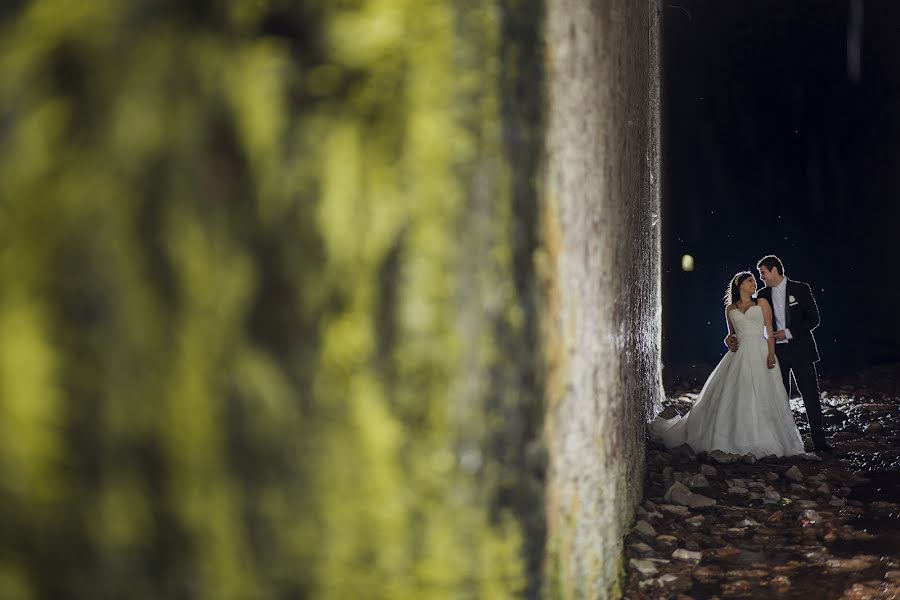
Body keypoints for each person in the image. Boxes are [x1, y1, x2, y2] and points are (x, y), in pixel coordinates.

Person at [651, 271, 805, 457]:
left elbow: (770, 330)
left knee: (764, 393)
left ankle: (765, 437)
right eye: (750, 281)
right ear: (739, 284)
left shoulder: (762, 303)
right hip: (739, 354)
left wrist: (771, 354)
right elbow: (731, 334)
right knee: (737, 391)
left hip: (760, 350)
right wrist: (727, 340)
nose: (754, 284)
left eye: (755, 281)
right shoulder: (730, 309)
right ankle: (729, 436)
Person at [727, 255, 830, 452]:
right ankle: (784, 441)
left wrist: (788, 332)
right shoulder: (763, 295)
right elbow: (748, 317)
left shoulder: (801, 289)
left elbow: (813, 319)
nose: (761, 278)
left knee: (810, 395)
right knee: (778, 396)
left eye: (763, 273)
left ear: (774, 270)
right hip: (775, 352)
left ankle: (820, 442)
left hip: (801, 350)